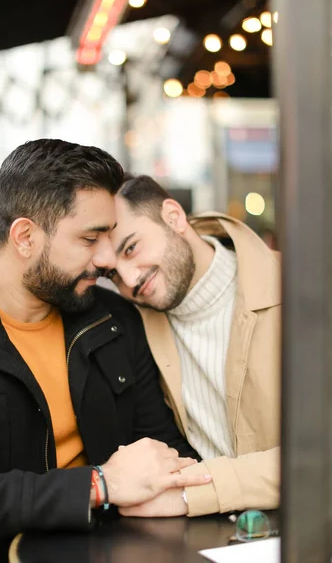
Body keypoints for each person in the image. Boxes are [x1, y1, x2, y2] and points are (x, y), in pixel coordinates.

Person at [0, 141, 208, 563]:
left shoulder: (114, 319)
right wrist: (97, 485)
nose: (106, 257)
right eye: (90, 238)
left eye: (110, 235)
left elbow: (166, 450)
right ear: (25, 236)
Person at [106, 174, 281, 518]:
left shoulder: (305, 287)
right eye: (112, 274)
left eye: (131, 248)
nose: (129, 280)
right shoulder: (135, 326)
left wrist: (190, 495)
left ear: (174, 216)